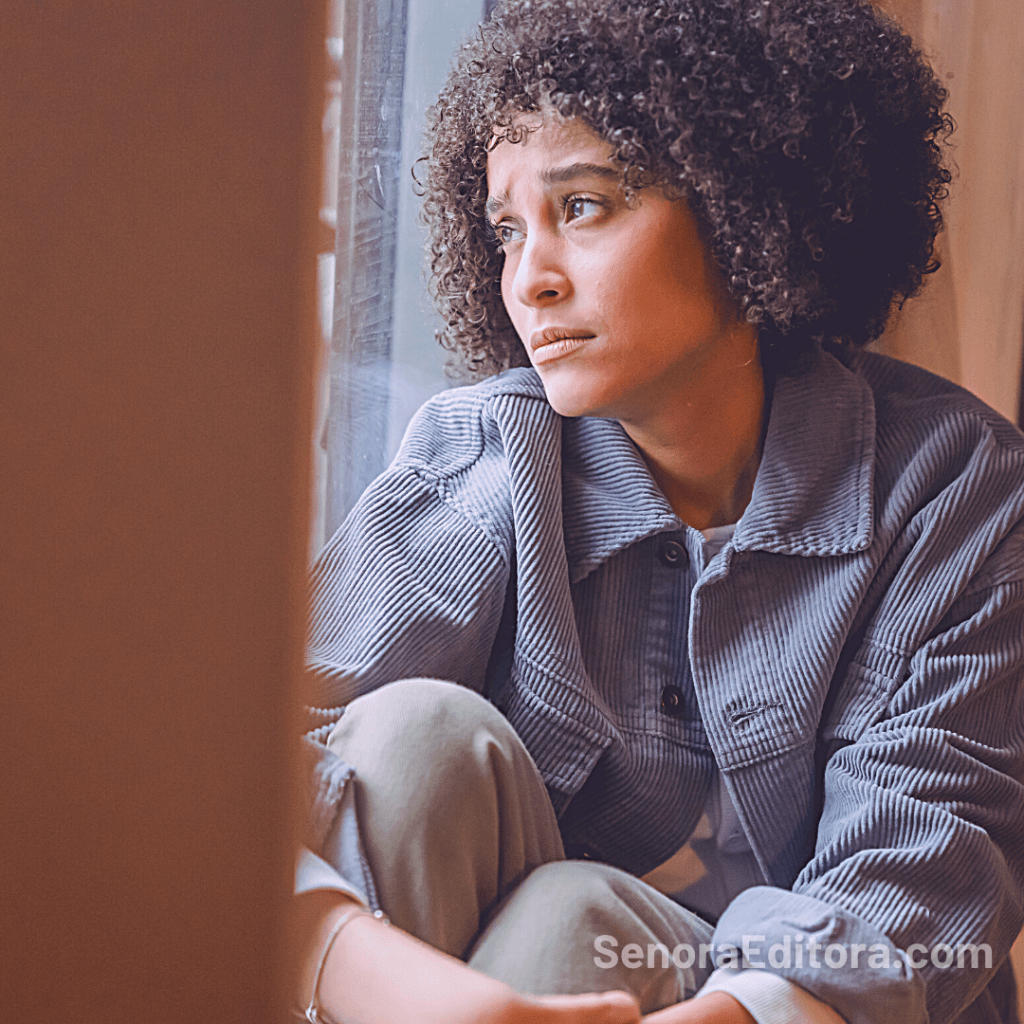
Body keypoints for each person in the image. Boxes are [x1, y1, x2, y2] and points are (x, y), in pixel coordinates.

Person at [292, 1, 1024, 1023]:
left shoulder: (959, 486)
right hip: (514, 986)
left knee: (567, 917)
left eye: (581, 206)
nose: (529, 281)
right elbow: (262, 776)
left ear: (745, 203)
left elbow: (933, 855)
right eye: (507, 231)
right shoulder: (487, 455)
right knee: (409, 739)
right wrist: (394, 980)